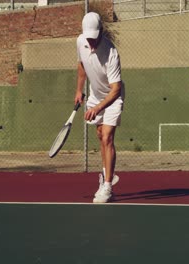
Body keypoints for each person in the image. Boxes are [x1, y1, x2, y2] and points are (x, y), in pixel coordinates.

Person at [74, 12, 124, 203]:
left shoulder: (111, 52)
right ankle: (107, 174)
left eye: (95, 38)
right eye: (89, 39)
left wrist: (98, 108)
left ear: (101, 31)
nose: (92, 43)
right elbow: (81, 65)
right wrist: (79, 90)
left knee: (107, 136)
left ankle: (108, 186)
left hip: (113, 96)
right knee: (100, 135)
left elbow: (116, 89)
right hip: (95, 95)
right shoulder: (80, 42)